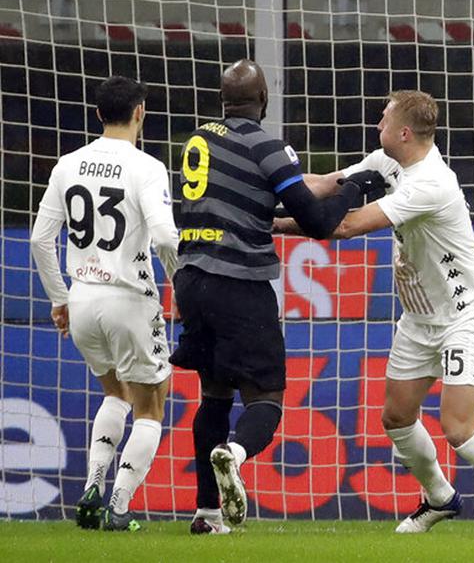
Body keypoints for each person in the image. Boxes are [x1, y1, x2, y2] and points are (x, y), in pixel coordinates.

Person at [276, 90, 474, 535]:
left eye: (383, 120)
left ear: (404, 131)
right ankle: (439, 497)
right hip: (419, 319)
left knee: (457, 427)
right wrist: (267, 191)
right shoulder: (388, 163)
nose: (376, 127)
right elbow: (324, 184)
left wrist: (270, 224)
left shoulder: (431, 183)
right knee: (397, 418)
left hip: (464, 314)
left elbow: (343, 225)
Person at [170, 59, 384, 534]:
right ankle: (236, 454)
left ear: (223, 98)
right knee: (266, 398)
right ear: (264, 98)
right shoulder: (268, 145)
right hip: (240, 284)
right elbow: (317, 222)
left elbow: (277, 187)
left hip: (191, 280)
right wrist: (359, 190)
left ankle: (206, 514)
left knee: (214, 394)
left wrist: (340, 179)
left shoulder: (199, 138)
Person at [31, 76, 179, 532]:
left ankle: (92, 488)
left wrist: (60, 300)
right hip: (129, 299)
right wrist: (183, 288)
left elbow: (40, 239)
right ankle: (118, 506)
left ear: (98, 115)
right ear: (140, 113)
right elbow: (164, 237)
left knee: (115, 393)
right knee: (150, 407)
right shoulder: (147, 167)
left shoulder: (67, 164)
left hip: (82, 299)